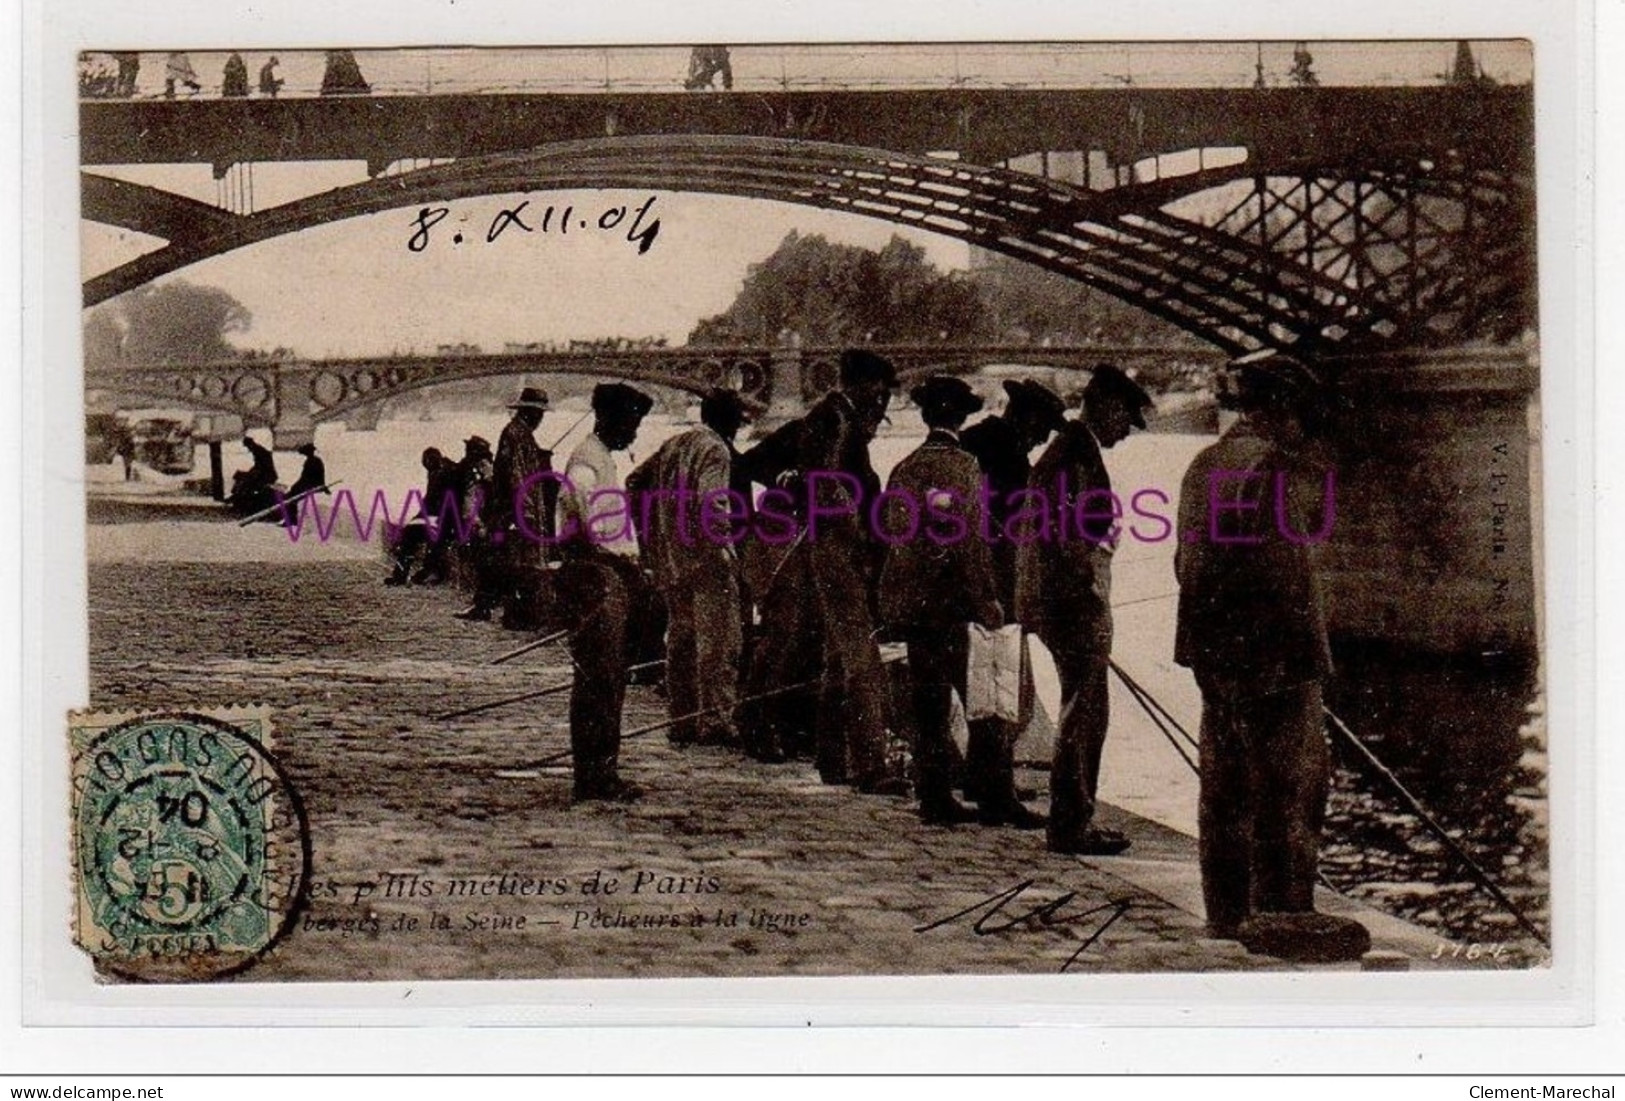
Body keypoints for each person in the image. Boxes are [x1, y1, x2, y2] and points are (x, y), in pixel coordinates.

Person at [1174, 353, 1341, 945]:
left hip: (1211, 651)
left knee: (1224, 784)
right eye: (1303, 417)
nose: (1307, 431)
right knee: (1292, 784)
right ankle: (1284, 913)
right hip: (1276, 654)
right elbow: (1285, 570)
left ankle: (1226, 912)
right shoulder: (1281, 467)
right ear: (1282, 411)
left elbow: (1184, 562)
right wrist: (1308, 658)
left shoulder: (1203, 464)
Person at [1015, 363, 1153, 856]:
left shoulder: (1069, 450)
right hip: (1073, 601)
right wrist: (1086, 591)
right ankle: (1072, 823)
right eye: (1124, 420)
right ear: (1107, 406)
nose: (1125, 433)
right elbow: (1064, 533)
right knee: (1086, 711)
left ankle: (1074, 817)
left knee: (1085, 707)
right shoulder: (1076, 453)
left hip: (1061, 597)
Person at [878, 377, 1003, 825]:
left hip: (912, 603)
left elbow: (891, 537)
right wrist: (985, 598)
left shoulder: (904, 469)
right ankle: (992, 793)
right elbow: (969, 541)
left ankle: (933, 794)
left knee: (928, 704)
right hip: (952, 605)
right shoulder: (965, 468)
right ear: (962, 417)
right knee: (983, 700)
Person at [958, 379, 1068, 828]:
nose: (1042, 441)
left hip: (961, 584)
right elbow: (1015, 533)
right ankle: (996, 792)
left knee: (982, 688)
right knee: (1006, 692)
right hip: (994, 589)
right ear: (1027, 419)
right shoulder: (1009, 458)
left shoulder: (974, 441)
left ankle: (978, 778)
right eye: (1041, 431)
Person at [799, 349, 909, 796]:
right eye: (879, 393)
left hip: (826, 545)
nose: (882, 404)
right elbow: (826, 483)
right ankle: (869, 764)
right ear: (859, 385)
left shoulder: (831, 417)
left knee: (836, 656)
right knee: (862, 655)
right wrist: (859, 535)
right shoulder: (839, 420)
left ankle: (831, 759)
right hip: (839, 547)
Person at [627, 388, 749, 748]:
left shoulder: (674, 444)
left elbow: (634, 483)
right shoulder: (715, 449)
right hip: (708, 561)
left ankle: (681, 720)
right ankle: (715, 721)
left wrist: (649, 539)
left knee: (680, 643)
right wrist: (724, 549)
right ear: (730, 421)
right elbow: (713, 503)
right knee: (719, 644)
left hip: (673, 561)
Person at [554, 383, 656, 803]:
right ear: (610, 418)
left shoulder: (600, 459)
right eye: (631, 423)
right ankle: (594, 775)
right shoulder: (587, 463)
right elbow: (594, 533)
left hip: (604, 575)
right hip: (595, 578)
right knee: (600, 677)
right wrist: (628, 569)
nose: (634, 434)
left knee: (609, 676)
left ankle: (601, 770)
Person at [458, 387, 553, 624]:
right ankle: (514, 614)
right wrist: (526, 512)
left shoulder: (520, 434)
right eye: (538, 413)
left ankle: (486, 608)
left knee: (500, 559)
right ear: (528, 412)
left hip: (510, 511)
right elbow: (516, 477)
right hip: (514, 513)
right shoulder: (516, 434)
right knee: (514, 562)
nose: (541, 419)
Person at [387, 447, 460, 586]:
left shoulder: (447, 473)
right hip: (437, 517)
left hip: (445, 519)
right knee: (410, 533)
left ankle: (419, 573)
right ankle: (402, 574)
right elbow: (429, 501)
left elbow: (447, 502)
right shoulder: (437, 471)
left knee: (418, 535)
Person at [228, 435, 279, 518]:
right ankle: (237, 498)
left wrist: (250, 474)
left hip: (267, 476)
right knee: (241, 477)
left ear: (250, 444)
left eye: (248, 446)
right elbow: (258, 466)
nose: (248, 449)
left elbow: (262, 467)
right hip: (264, 474)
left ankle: (240, 501)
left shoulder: (259, 451)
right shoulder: (258, 450)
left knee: (246, 483)